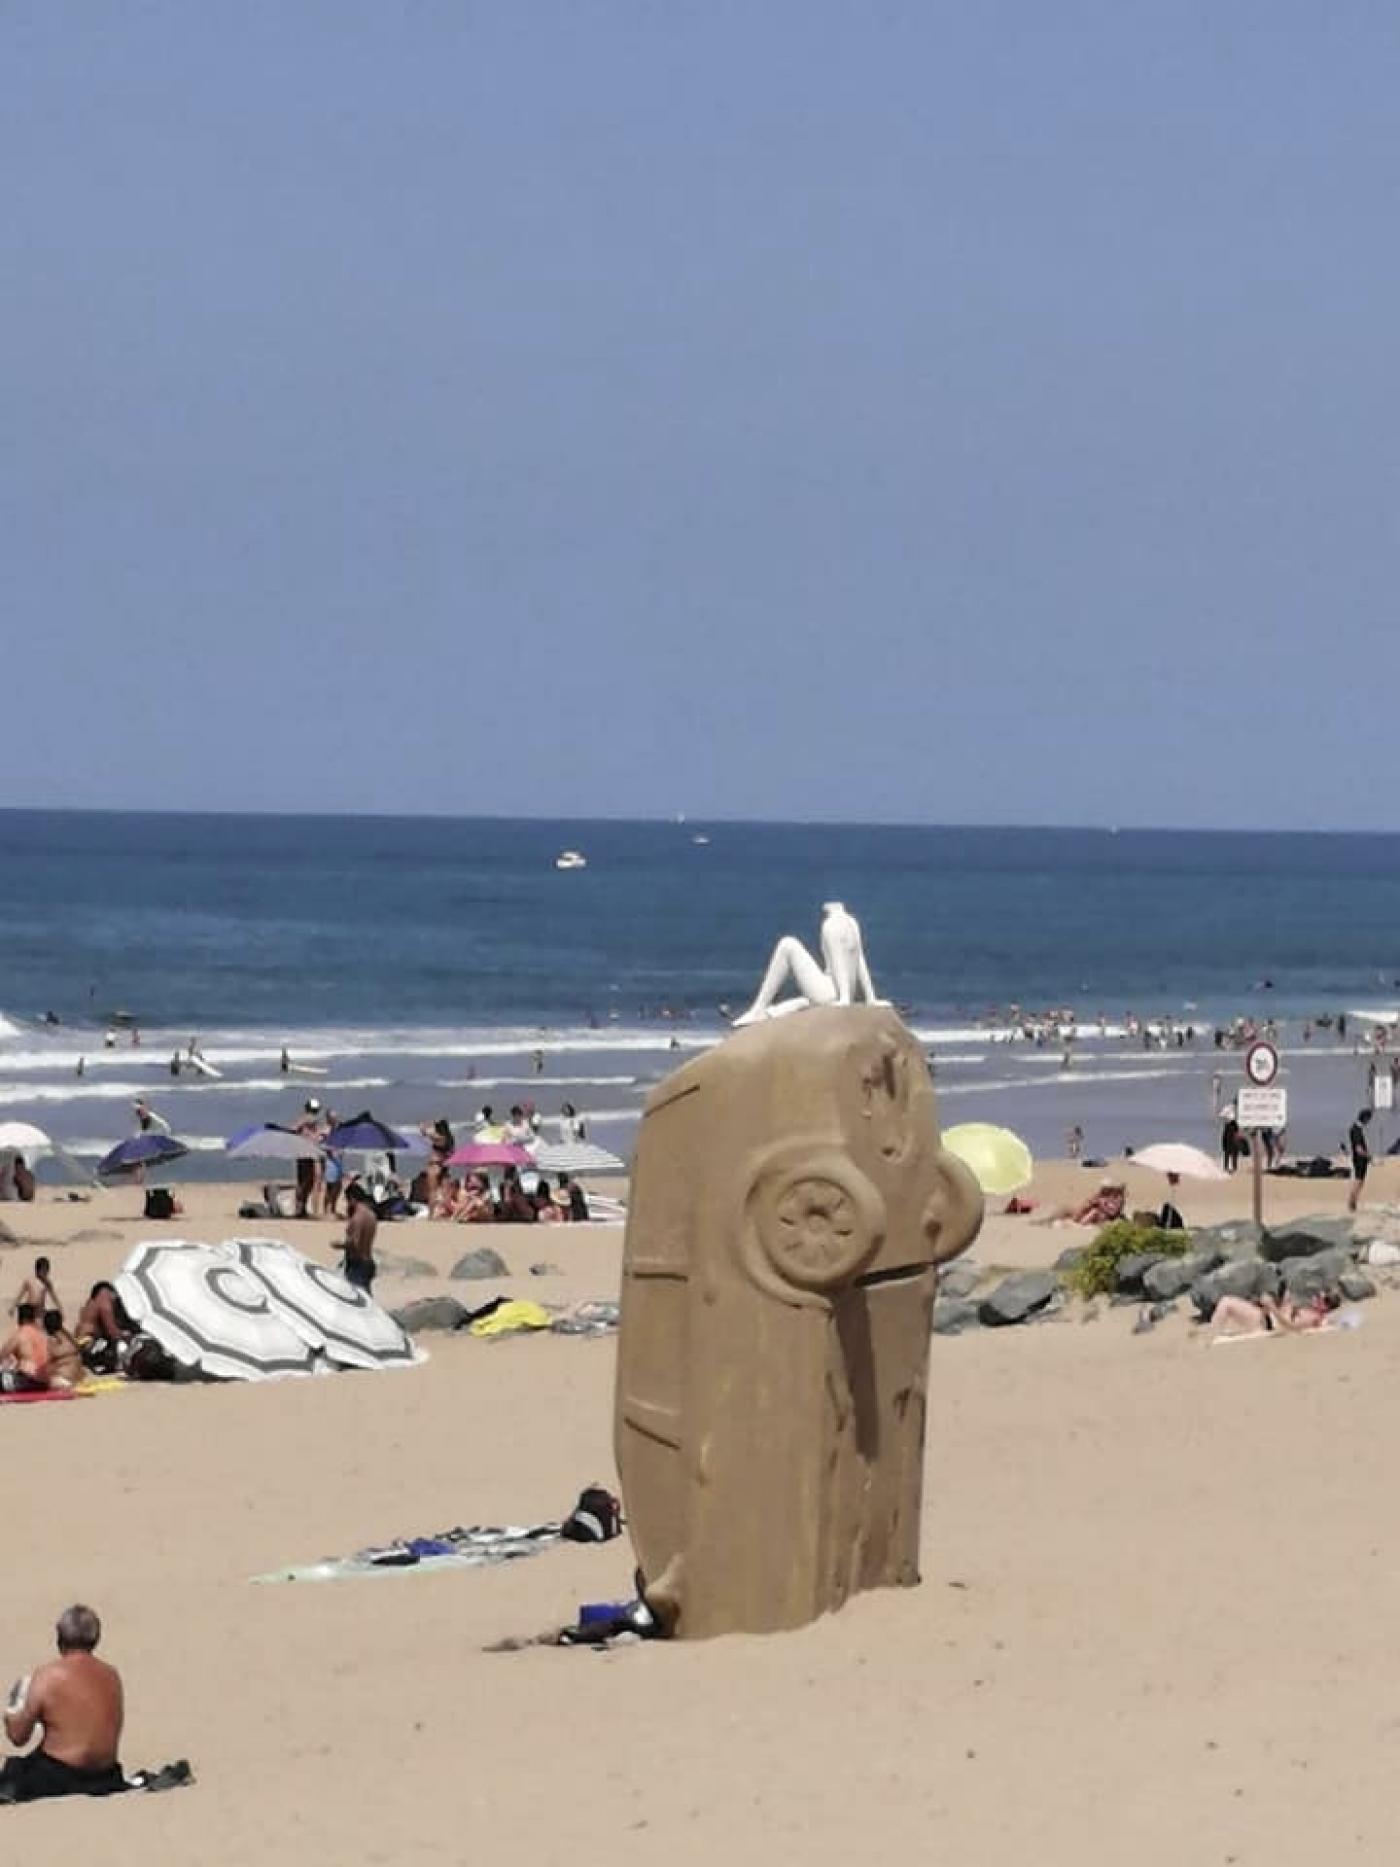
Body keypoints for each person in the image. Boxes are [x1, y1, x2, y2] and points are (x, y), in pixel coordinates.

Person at [0, 1605, 125, 1803]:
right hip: (106, 1775)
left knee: (13, 1768)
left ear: (59, 1637)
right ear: (96, 1637)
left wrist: (14, 1708)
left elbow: (18, 1737)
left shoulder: (46, 1677)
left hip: (60, 1775)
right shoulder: (112, 1675)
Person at [1210, 1290, 1340, 1335]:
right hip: (1265, 1315)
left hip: (1266, 1322)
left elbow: (1290, 1326)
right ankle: (1213, 1331)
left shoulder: (1312, 1317)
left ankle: (1211, 1334)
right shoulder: (1309, 1309)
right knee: (1227, 1301)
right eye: (1318, 1296)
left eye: (1323, 1300)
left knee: (1226, 1302)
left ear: (1326, 1308)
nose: (1317, 1299)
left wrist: (1272, 1307)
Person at [336, 1185, 378, 1291]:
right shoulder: (371, 1215)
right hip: (368, 1261)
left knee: (353, 1296)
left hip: (357, 1265)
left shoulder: (358, 1218)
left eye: (347, 1200)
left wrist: (339, 1245)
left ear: (352, 1199)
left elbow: (354, 1243)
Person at [0, 1305, 49, 1392]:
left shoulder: (20, 1334)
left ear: (20, 1319)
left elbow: (2, 1355)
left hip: (26, 1381)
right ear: (33, 1319)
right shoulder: (42, 1335)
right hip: (44, 1383)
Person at [294, 1099, 324, 1219]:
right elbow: (294, 1129)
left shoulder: (313, 1121)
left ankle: (302, 1208)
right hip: (304, 1153)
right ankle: (299, 1208)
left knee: (309, 1182)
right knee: (304, 1182)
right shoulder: (304, 1120)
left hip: (311, 1153)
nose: (313, 1113)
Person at [42, 1313, 83, 1390]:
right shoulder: (69, 1337)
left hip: (62, 1380)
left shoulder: (52, 1340)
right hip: (77, 1380)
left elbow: (48, 1364)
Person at [14, 1257, 60, 1322]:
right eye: (43, 1271)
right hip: (29, 1308)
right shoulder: (29, 1281)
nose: (46, 1273)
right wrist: (13, 1306)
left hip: (40, 1309)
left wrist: (60, 1308)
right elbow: (20, 1294)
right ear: (37, 1270)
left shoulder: (47, 1283)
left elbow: (54, 1297)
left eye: (47, 1270)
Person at [1348, 1108, 1373, 1213]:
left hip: (1359, 1159)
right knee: (1359, 1180)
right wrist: (1367, 1156)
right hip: (1359, 1159)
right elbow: (1359, 1149)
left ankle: (1353, 1201)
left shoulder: (1355, 1128)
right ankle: (1352, 1202)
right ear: (1365, 1118)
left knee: (1360, 1181)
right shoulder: (1357, 1130)